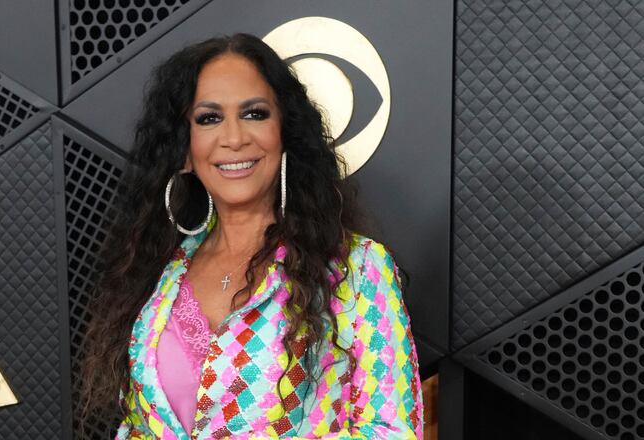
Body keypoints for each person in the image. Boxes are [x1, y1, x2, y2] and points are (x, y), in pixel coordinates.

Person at [79, 33, 423, 439]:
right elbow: (136, 428)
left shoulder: (356, 269)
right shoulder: (158, 276)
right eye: (209, 118)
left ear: (284, 135)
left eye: (254, 114)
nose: (234, 137)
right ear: (185, 149)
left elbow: (393, 430)